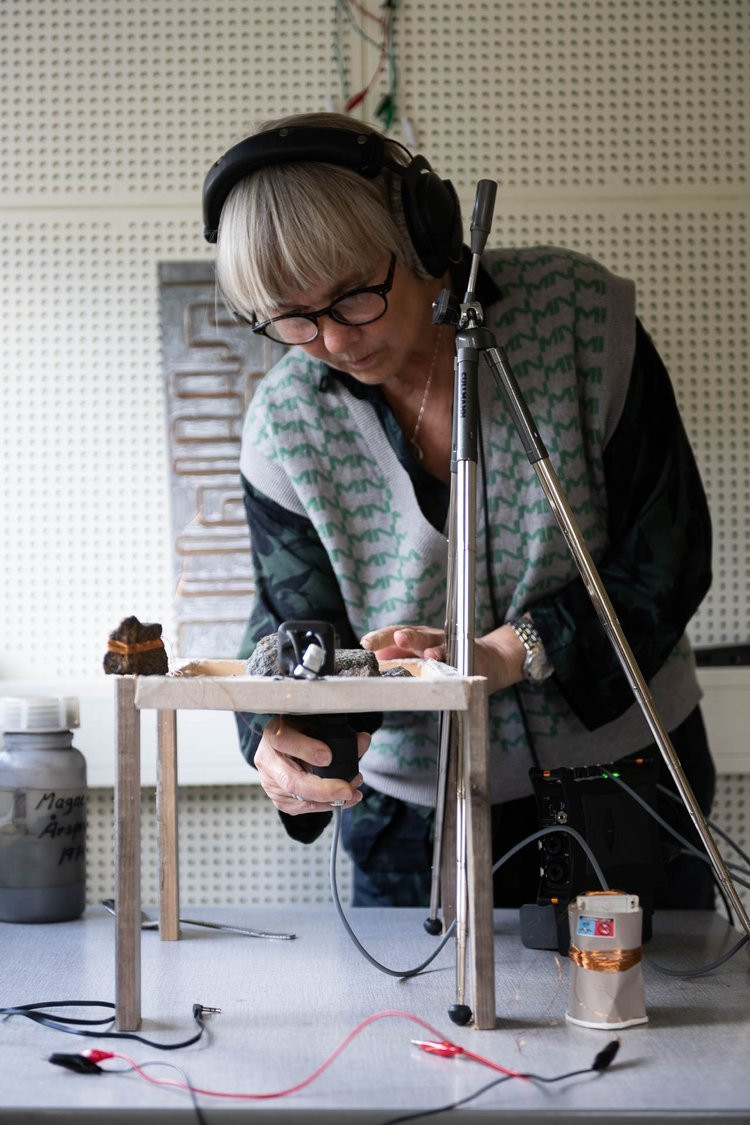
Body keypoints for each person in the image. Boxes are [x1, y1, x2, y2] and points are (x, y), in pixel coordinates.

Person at [203, 111, 716, 912]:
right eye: (292, 319)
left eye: (352, 296)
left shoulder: (580, 319)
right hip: (409, 817)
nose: (333, 340)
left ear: (421, 230)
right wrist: (278, 738)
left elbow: (669, 550)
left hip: (626, 783)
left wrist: (513, 651)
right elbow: (293, 625)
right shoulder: (285, 421)